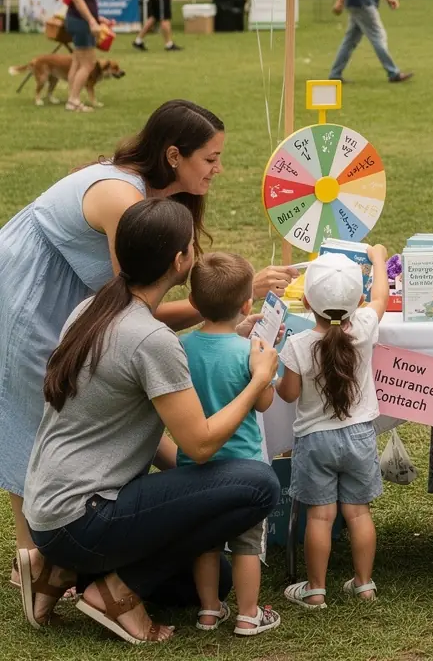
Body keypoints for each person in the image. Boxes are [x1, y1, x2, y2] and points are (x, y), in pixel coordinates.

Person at [0, 100, 297, 574]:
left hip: (81, 297)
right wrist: (219, 308)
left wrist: (228, 301)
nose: (218, 169)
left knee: (83, 408)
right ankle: (36, 562)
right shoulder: (125, 200)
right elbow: (135, 308)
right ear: (175, 155)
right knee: (36, 409)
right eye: (211, 158)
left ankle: (63, 556)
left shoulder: (158, 199)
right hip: (30, 292)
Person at [19, 200, 280, 643]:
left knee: (211, 580)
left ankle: (59, 570)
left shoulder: (93, 310)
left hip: (49, 509)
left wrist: (198, 490)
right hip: (85, 514)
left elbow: (135, 434)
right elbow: (199, 445)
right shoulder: (151, 340)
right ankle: (114, 592)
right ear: (179, 261)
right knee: (259, 484)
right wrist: (257, 382)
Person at [280, 248, 388, 608]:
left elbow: (289, 393)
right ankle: (364, 584)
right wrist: (378, 260)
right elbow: (381, 297)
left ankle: (315, 589)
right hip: (359, 437)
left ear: (307, 302)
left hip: (314, 441)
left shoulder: (297, 345)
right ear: (358, 300)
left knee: (320, 516)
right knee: (359, 513)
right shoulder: (365, 328)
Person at [180, 253, 281, 637]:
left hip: (195, 470)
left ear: (193, 303)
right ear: (246, 304)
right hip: (245, 472)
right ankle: (248, 614)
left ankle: (208, 610)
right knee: (246, 546)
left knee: (205, 544)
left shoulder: (180, 347)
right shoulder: (248, 354)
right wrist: (261, 368)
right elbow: (263, 402)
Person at [62, 0, 112, 114]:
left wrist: (98, 18)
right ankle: (74, 100)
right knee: (88, 64)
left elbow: (86, 0)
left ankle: (72, 97)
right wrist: (92, 21)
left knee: (77, 61)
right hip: (81, 21)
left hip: (80, 19)